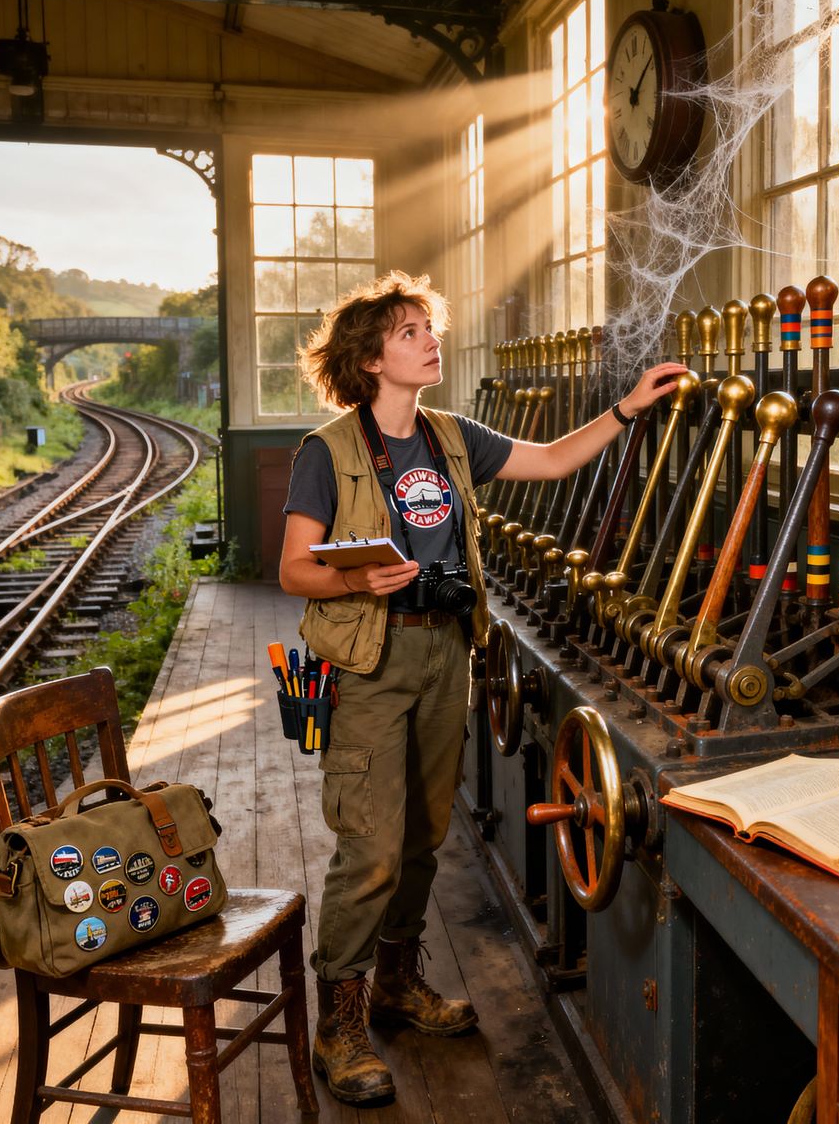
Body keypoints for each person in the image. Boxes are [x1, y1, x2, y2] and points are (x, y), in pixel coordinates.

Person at [279, 270, 686, 1105]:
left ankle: (396, 984)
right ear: (370, 360)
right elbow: (293, 569)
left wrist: (627, 409)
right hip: (370, 660)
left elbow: (553, 459)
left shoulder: (452, 437)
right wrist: (358, 581)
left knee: (423, 840)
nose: (430, 340)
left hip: (446, 652)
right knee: (370, 850)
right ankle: (339, 1025)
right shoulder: (328, 451)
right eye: (409, 333)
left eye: (428, 327)